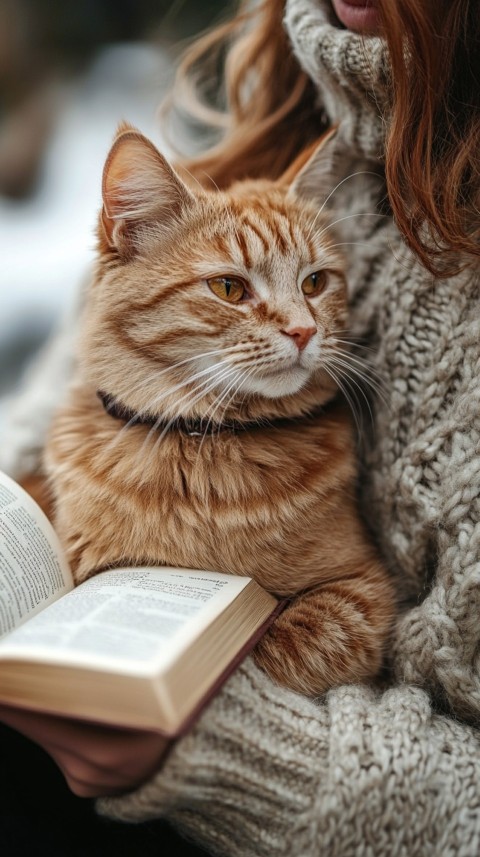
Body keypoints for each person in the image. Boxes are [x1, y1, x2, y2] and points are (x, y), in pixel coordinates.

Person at [1, 0, 479, 854]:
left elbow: (360, 607)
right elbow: (46, 405)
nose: (299, 326)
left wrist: (210, 716)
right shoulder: (269, 118)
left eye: (317, 286)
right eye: (235, 288)